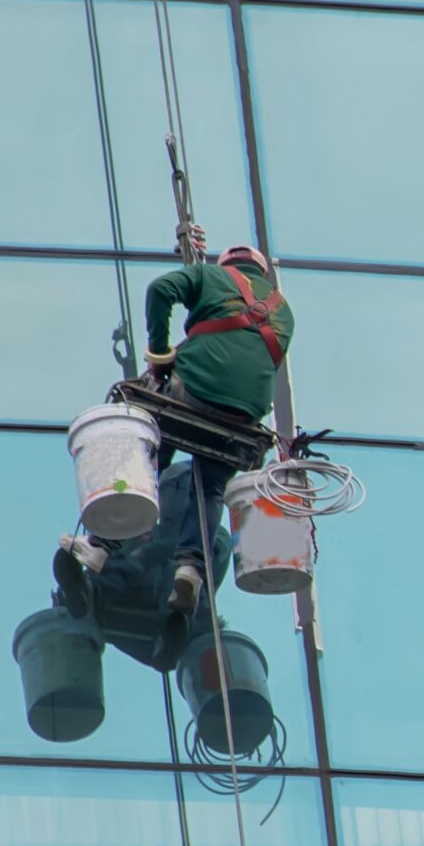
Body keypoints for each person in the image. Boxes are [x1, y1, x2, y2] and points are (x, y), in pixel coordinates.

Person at [59, 226, 295, 615]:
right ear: (261, 274)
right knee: (211, 487)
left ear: (227, 267)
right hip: (242, 418)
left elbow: (159, 291)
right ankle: (191, 571)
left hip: (194, 395)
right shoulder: (284, 312)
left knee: (149, 448)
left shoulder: (209, 276)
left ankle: (101, 545)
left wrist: (159, 353)